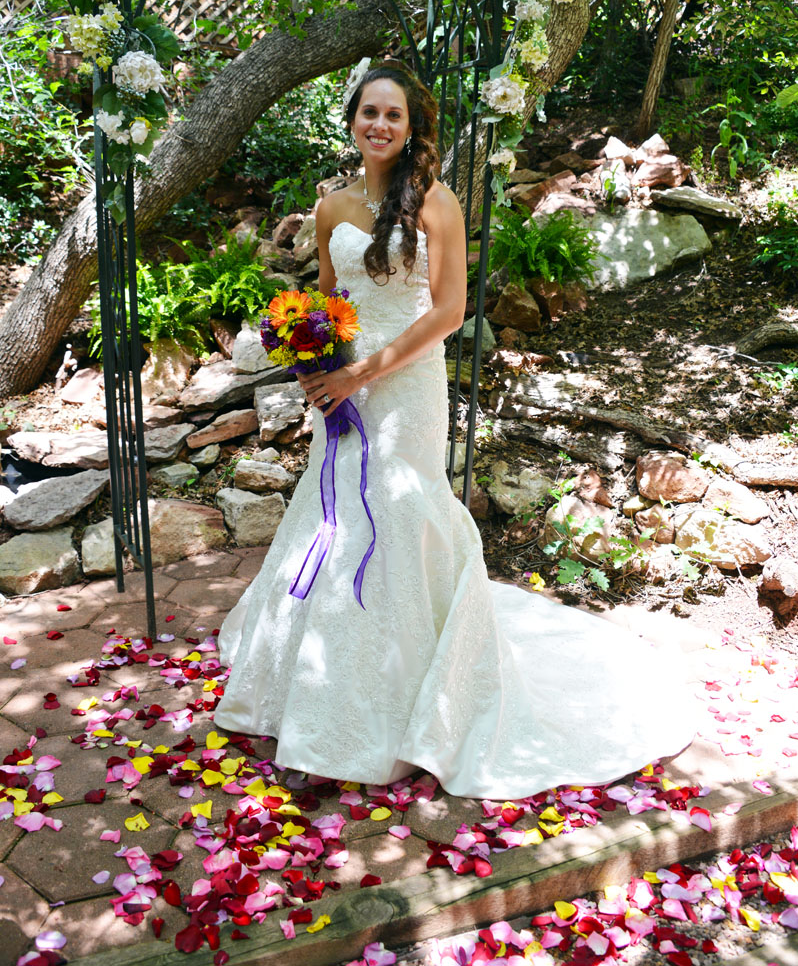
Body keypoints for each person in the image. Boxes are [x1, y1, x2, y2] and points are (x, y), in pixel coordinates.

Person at [214, 61, 697, 799]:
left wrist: (362, 370)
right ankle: (315, 704)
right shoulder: (332, 206)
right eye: (368, 112)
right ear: (352, 119)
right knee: (333, 519)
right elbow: (328, 296)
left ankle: (395, 709)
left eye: (393, 116)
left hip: (405, 381)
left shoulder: (435, 203)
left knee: (400, 518)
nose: (379, 125)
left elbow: (446, 311)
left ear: (412, 129)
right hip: (342, 386)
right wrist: (313, 354)